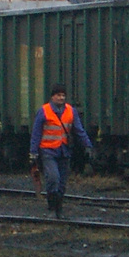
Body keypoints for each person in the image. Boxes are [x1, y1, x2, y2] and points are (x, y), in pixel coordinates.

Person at [29, 81, 93, 216]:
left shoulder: (71, 111)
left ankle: (58, 209)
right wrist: (33, 152)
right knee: (53, 178)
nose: (61, 98)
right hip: (48, 151)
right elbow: (36, 133)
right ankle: (53, 205)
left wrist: (87, 145)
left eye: (63, 95)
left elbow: (79, 130)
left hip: (64, 151)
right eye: (58, 95)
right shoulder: (44, 111)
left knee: (62, 183)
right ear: (52, 97)